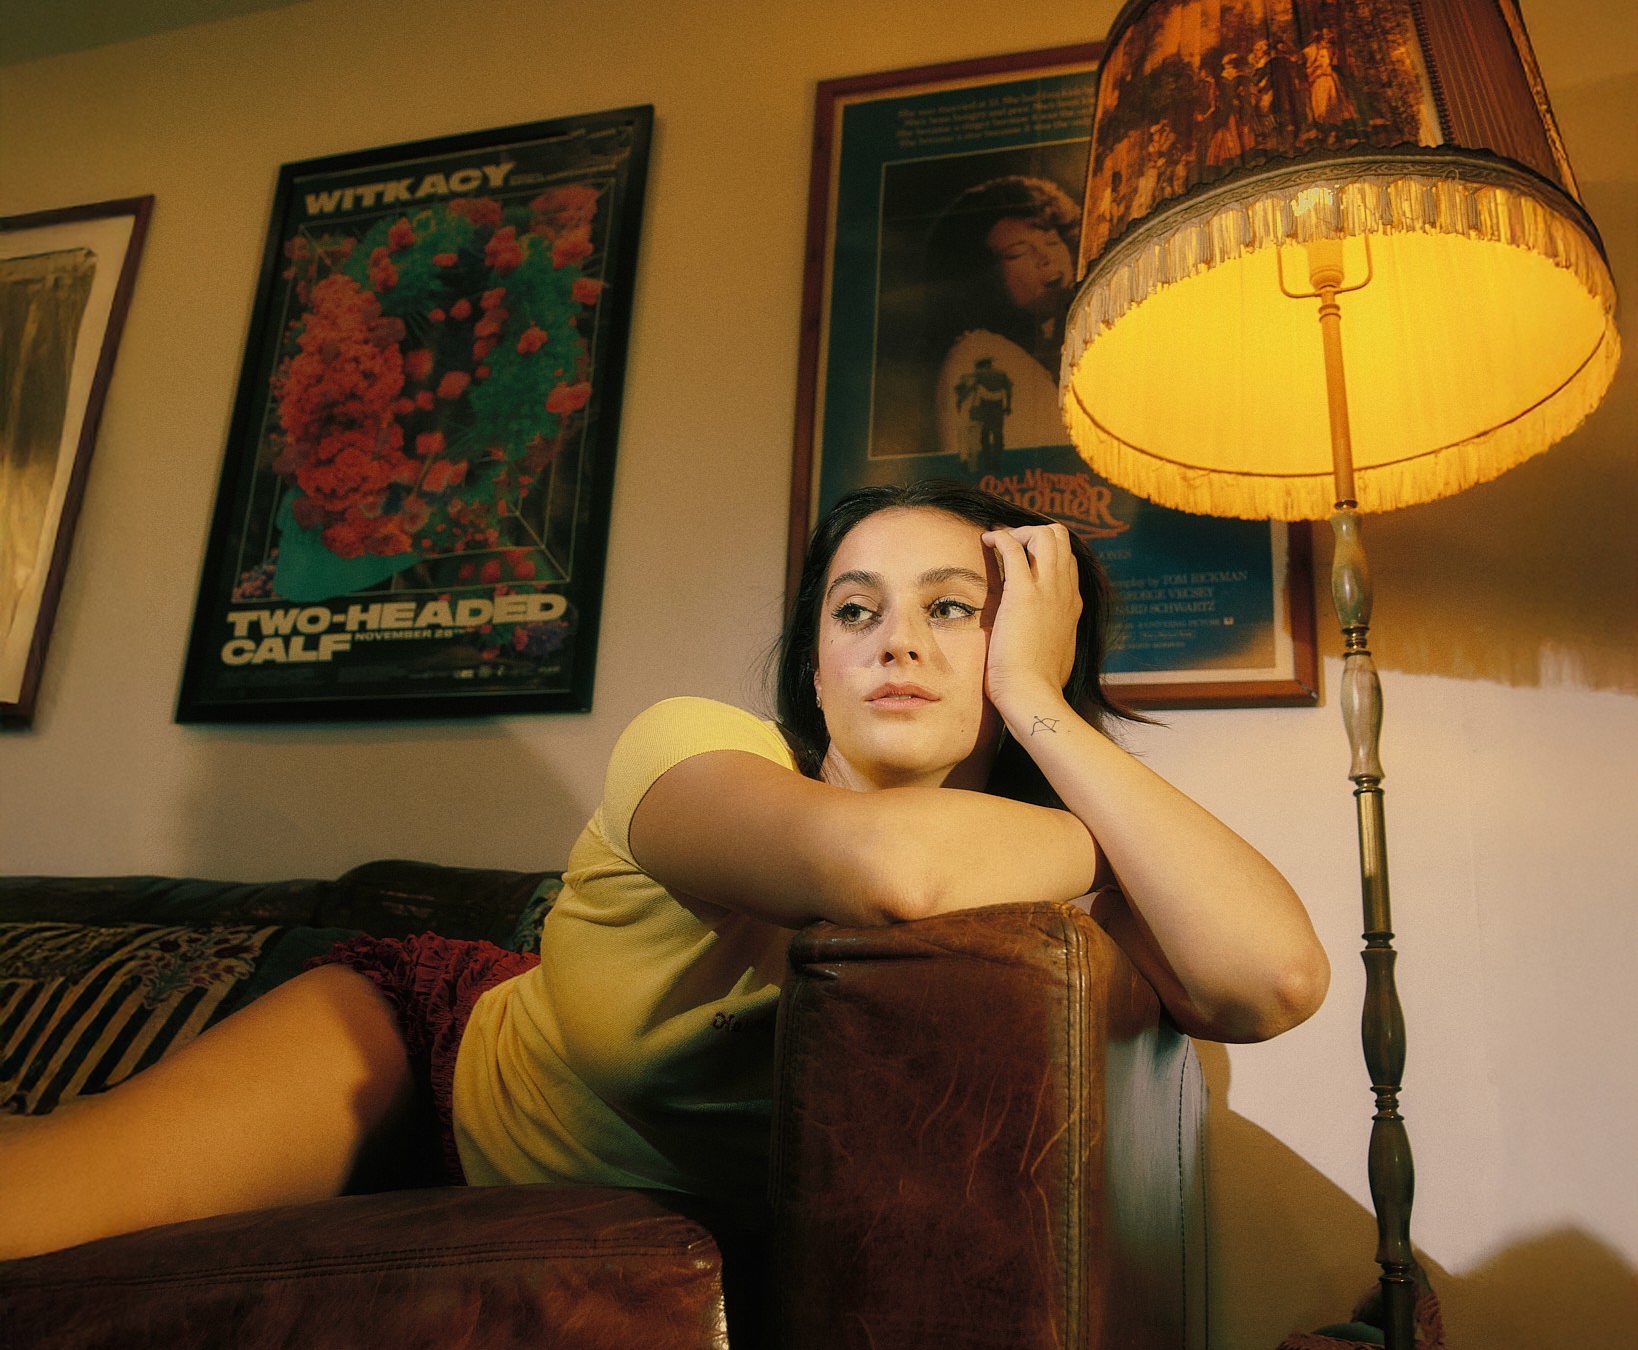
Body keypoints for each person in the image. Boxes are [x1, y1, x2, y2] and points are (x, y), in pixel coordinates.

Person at [0, 482, 1329, 1260]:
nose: (895, 641)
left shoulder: (1034, 859)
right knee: (35, 1216)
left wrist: (1041, 706)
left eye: (953, 606)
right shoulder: (694, 750)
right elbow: (894, 871)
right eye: (853, 609)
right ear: (814, 668)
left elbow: (1271, 978)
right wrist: (1103, 849)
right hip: (421, 1054)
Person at [921, 177, 1080, 457]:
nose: (1045, 256)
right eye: (1017, 253)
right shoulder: (980, 358)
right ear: (981, 280)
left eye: (1052, 241)